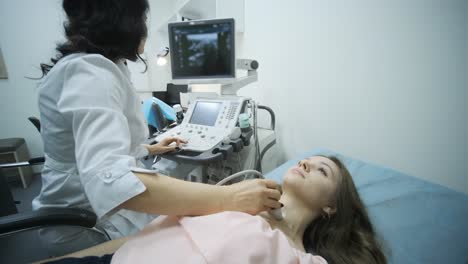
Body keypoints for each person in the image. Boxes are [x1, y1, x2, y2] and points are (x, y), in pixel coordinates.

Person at [33, 0, 281, 239]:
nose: (144, 27)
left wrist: (149, 148)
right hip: (83, 224)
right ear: (126, 22)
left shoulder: (98, 67)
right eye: (143, 18)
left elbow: (88, 148)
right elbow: (110, 180)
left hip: (87, 209)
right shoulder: (91, 73)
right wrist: (230, 197)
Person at [44, 156, 387, 264]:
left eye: (323, 170)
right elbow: (148, 235)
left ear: (331, 207)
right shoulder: (232, 199)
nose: (306, 163)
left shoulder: (307, 260)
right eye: (307, 160)